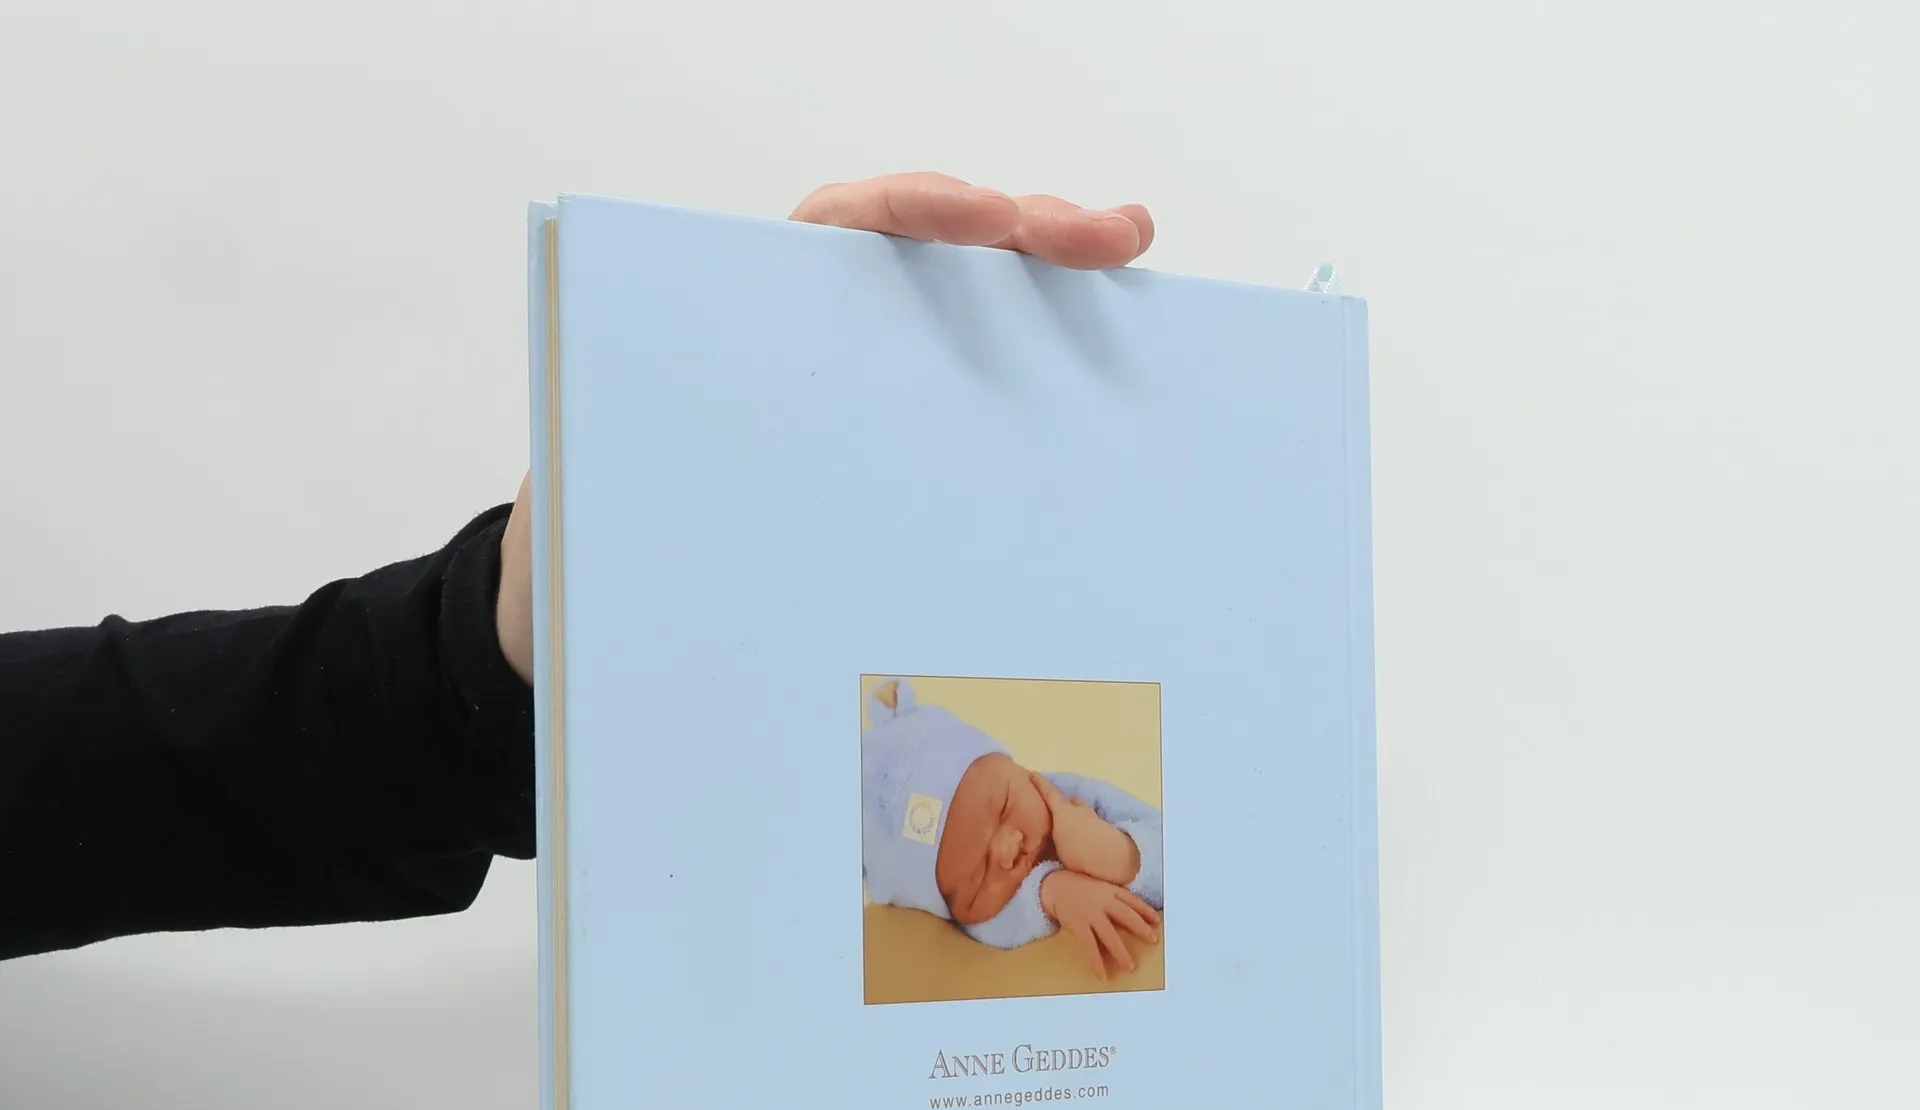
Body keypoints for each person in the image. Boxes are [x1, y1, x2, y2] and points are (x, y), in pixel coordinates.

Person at [0, 175, 1154, 964]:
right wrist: (1050, 884)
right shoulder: (982, 887)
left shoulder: (1046, 791)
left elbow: (119, 759)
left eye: (1007, 811)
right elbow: (1000, 910)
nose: (1013, 848)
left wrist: (482, 656)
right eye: (987, 863)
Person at [860, 677, 1163, 979]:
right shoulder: (984, 922)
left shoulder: (1078, 798)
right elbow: (985, 928)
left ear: (1022, 770)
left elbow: (1178, 851)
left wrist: (1119, 855)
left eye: (1005, 807)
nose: (1008, 851)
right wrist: (1049, 893)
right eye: (978, 876)